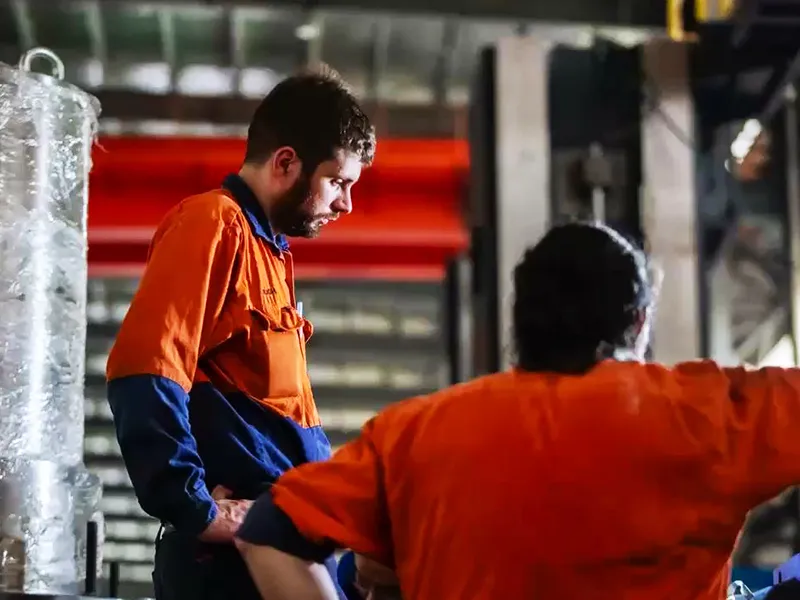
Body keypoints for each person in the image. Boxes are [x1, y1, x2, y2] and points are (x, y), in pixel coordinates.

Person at [234, 221, 800, 600]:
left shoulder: (416, 433)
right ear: (638, 322)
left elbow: (268, 530)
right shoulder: (705, 410)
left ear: (522, 320)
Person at [105, 66, 376, 600]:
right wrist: (194, 507)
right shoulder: (213, 223)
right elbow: (146, 370)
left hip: (279, 548)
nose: (346, 203)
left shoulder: (269, 253)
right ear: (286, 162)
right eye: (338, 182)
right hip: (232, 566)